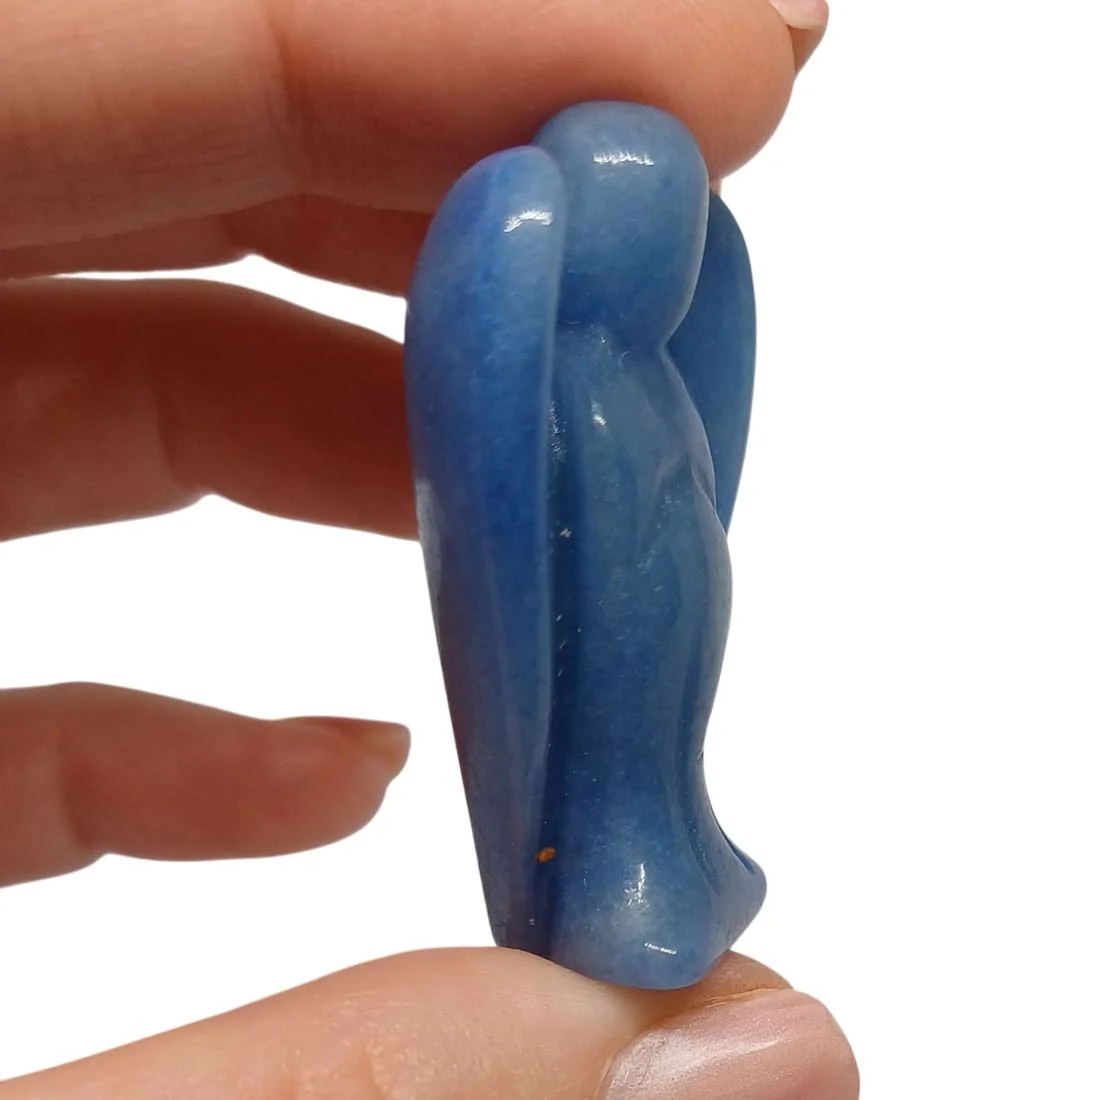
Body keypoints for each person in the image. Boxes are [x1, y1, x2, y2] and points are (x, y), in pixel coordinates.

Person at [0, 0, 857, 1096]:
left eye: (677, 229)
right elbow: (530, 548)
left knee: (670, 708)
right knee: (615, 715)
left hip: (674, 583)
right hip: (605, 604)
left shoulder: (648, 364)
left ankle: (683, 841)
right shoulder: (572, 368)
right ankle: (618, 874)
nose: (672, 254)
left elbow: (694, 484)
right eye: (649, 226)